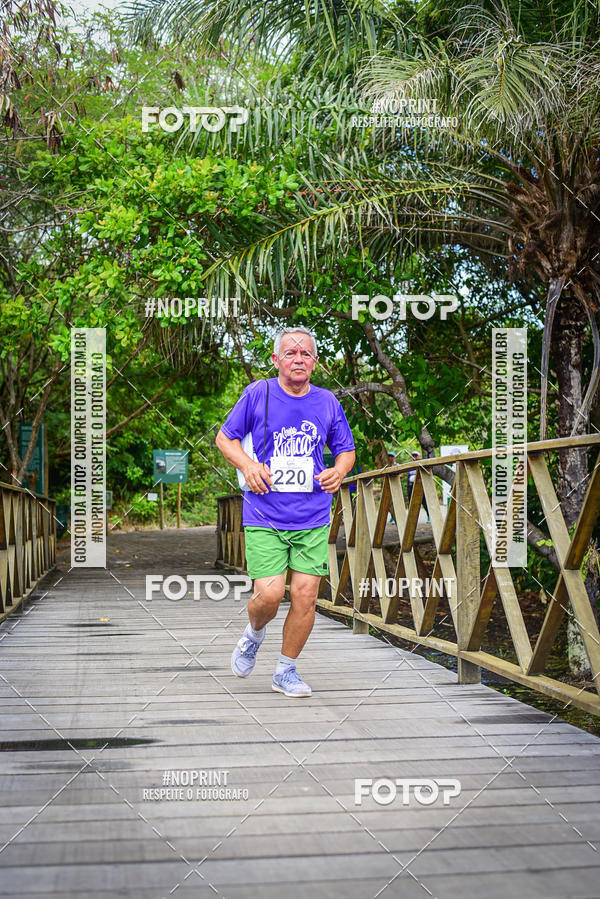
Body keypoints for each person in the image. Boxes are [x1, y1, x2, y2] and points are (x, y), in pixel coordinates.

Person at [215, 327, 356, 698]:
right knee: (271, 594)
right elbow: (224, 438)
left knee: (306, 596)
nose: (298, 359)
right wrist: (247, 466)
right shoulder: (257, 393)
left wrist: (339, 471)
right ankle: (254, 634)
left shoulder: (327, 402)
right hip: (264, 512)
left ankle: (285, 671)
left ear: (315, 362)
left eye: (306, 354)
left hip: (312, 514)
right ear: (276, 360)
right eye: (290, 353)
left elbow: (346, 450)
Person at [406, 450, 428, 516]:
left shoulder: (422, 464)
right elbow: (408, 476)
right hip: (411, 485)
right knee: (411, 501)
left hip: (420, 485)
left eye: (416, 456)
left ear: (419, 456)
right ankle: (412, 516)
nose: (414, 457)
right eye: (413, 456)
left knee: (424, 501)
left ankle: (429, 515)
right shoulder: (410, 465)